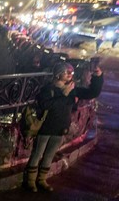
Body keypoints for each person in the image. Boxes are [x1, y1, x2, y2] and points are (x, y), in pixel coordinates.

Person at [22, 62, 103, 192]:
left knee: (49, 155)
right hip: (45, 128)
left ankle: (42, 180)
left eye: (71, 72)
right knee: (37, 154)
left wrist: (98, 77)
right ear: (59, 74)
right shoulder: (48, 89)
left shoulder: (71, 89)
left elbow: (92, 93)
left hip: (60, 128)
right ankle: (30, 181)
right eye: (67, 72)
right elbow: (46, 105)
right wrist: (64, 94)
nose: (70, 75)